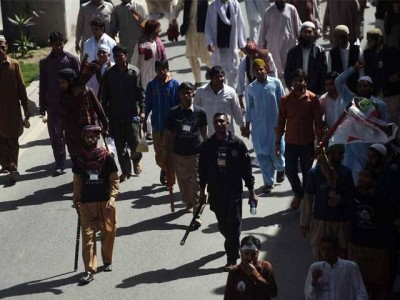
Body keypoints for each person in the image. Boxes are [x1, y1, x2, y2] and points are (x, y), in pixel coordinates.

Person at [199, 112, 257, 270]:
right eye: (216, 121)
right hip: (216, 193)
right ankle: (233, 241)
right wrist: (201, 191)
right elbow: (202, 171)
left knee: (234, 223)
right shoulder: (207, 146)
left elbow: (247, 170)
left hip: (234, 192)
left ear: (227, 123)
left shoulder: (237, 144)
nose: (219, 124)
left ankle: (231, 259)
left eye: (222, 121)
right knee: (223, 224)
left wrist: (251, 191)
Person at [72, 125, 119, 284]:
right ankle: (89, 270)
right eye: (87, 137)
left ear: (97, 138)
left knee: (108, 231)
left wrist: (112, 198)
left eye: (93, 137)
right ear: (83, 138)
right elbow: (77, 180)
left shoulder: (106, 157)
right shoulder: (79, 159)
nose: (90, 139)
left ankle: (107, 260)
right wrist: (76, 197)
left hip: (105, 202)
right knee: (88, 237)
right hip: (86, 204)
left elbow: (114, 179)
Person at [276, 69, 323, 209]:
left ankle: (308, 201)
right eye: (295, 80)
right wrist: (277, 142)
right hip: (290, 143)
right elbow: (280, 122)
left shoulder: (313, 99)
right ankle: (298, 194)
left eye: (300, 80)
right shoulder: (285, 100)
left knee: (308, 174)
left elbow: (318, 124)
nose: (298, 83)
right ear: (292, 82)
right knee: (289, 171)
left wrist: (319, 144)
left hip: (307, 143)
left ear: (305, 82)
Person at [335, 61, 390, 182]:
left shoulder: (380, 105)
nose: (362, 88)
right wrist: (353, 68)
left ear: (371, 87)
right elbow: (338, 81)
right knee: (353, 182)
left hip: (370, 150)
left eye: (365, 86)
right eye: (359, 86)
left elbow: (386, 129)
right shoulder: (352, 99)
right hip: (352, 150)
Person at [348, 166, 396, 299]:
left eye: (366, 176)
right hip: (357, 248)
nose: (361, 178)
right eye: (361, 175)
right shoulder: (353, 195)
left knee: (378, 288)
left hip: (377, 251)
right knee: (358, 287)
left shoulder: (382, 200)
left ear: (374, 181)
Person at [300, 144, 354, 260]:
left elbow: (352, 196)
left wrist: (342, 198)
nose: (341, 157)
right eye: (339, 154)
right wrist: (304, 222)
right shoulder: (315, 174)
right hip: (321, 221)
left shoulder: (346, 172)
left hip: (340, 221)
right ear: (330, 154)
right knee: (320, 254)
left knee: (341, 255)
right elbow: (308, 199)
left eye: (342, 154)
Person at [162, 82, 207, 216]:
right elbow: (168, 134)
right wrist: (165, 153)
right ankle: (189, 202)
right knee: (183, 182)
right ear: (179, 95)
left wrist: (205, 151)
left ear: (193, 94)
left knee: (196, 183)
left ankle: (196, 214)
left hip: (196, 154)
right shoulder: (173, 113)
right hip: (179, 155)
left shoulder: (201, 112)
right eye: (183, 93)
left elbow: (204, 133)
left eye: (189, 93)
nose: (186, 96)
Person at [101, 45, 145, 182]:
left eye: (120, 55)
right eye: (115, 56)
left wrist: (143, 111)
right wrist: (105, 118)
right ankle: (125, 171)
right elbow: (105, 97)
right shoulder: (109, 74)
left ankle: (136, 161)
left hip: (132, 114)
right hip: (115, 116)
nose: (118, 58)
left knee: (136, 142)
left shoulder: (134, 72)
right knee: (120, 146)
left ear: (126, 55)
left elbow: (140, 93)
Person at [39, 31, 80, 176]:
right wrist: (41, 105)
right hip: (53, 104)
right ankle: (60, 162)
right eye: (55, 45)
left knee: (72, 134)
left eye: (60, 44)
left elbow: (78, 82)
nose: (58, 47)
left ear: (63, 43)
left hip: (70, 104)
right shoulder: (45, 63)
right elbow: (43, 84)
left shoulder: (72, 59)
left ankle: (77, 160)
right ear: (51, 45)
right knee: (56, 135)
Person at [243, 59, 285, 194]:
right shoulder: (250, 88)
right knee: (262, 156)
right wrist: (247, 126)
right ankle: (268, 182)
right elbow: (249, 108)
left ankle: (280, 169)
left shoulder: (276, 83)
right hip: (259, 128)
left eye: (261, 69)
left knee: (276, 154)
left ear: (266, 69)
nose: (259, 72)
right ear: (253, 73)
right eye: (256, 70)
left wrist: (284, 122)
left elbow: (283, 103)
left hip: (275, 127)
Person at [0, 35, 32, 183]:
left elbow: (21, 89)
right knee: (1, 141)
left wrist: (26, 109)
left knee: (12, 140)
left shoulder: (14, 65)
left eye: (2, 47)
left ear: (6, 46)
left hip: (12, 112)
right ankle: (6, 164)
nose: (0, 50)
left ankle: (13, 168)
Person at [144, 60, 180, 185]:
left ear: (167, 69)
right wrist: (144, 120)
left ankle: (170, 179)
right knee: (159, 156)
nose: (161, 71)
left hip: (171, 128)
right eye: (159, 68)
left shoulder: (174, 84)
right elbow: (147, 104)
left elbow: (179, 105)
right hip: (156, 127)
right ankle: (165, 169)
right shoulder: (151, 85)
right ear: (156, 70)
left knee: (170, 154)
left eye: (164, 68)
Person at [304, 235, 368, 299]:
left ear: (337, 250)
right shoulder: (315, 268)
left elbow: (361, 293)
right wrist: (314, 282)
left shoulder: (350, 268)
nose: (325, 253)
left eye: (329, 250)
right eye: (323, 249)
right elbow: (308, 297)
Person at [362, 28, 400, 132]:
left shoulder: (392, 51)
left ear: (379, 40)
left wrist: (397, 75)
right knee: (378, 120)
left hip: (390, 93)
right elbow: (367, 72)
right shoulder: (367, 53)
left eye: (371, 40)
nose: (368, 43)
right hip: (376, 94)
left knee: (393, 121)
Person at [169, 0, 211, 87]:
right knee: (191, 56)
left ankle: (210, 69)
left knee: (207, 54)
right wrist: (173, 19)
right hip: (190, 30)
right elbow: (177, 7)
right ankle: (198, 80)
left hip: (204, 30)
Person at [205, 0, 246, 87]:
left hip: (231, 45)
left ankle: (232, 93)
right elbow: (208, 27)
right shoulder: (212, 7)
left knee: (233, 71)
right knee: (219, 72)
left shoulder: (235, 5)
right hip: (218, 45)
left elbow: (240, 24)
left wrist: (242, 44)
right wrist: (210, 42)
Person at [194, 66, 244, 136]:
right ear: (210, 78)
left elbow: (237, 110)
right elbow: (197, 111)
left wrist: (242, 126)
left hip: (228, 134)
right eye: (216, 77)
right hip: (211, 135)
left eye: (221, 76)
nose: (220, 79)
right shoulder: (201, 92)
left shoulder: (231, 92)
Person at [224, 235, 278, 299]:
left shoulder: (266, 267)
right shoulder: (234, 271)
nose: (250, 257)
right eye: (246, 253)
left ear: (258, 253)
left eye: (253, 254)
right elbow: (228, 296)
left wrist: (256, 276)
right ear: (241, 253)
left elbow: (273, 293)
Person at [258, 0, 302, 79]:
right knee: (275, 74)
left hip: (289, 47)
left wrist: (301, 43)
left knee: (291, 73)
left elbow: (298, 28)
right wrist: (260, 51)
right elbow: (262, 33)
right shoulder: (268, 12)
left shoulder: (292, 9)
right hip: (273, 49)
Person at [284, 21, 327, 95]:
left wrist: (322, 90)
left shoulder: (320, 51)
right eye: (304, 32)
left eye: (309, 32)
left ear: (314, 34)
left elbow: (324, 72)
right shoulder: (292, 52)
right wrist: (290, 86)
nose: (307, 34)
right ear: (301, 34)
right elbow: (287, 71)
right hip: (297, 90)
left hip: (315, 91)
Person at [237, 40, 277, 111]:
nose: (252, 55)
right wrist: (240, 98)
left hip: (266, 85)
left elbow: (273, 71)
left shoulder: (267, 56)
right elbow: (241, 79)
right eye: (249, 53)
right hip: (251, 88)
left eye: (254, 52)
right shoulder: (244, 62)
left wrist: (273, 86)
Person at [131, 19, 166, 91]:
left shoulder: (158, 42)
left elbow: (164, 60)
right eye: (157, 28)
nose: (159, 30)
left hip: (159, 77)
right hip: (147, 79)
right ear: (152, 30)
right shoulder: (141, 43)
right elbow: (134, 62)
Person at [327, 25, 361, 94]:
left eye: (343, 36)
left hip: (354, 85)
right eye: (338, 37)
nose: (341, 39)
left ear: (348, 36)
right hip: (339, 88)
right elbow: (330, 71)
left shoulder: (356, 50)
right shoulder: (332, 53)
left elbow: (361, 70)